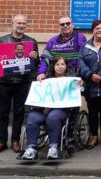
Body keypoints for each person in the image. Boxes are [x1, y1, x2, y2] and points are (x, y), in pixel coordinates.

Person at [20, 56, 82, 160]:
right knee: (32, 117)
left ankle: (53, 148)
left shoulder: (71, 79)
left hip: (61, 110)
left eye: (63, 64)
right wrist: (39, 79)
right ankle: (31, 149)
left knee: (52, 117)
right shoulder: (46, 78)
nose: (60, 67)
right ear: (53, 66)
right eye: (57, 64)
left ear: (66, 66)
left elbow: (80, 92)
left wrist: (81, 85)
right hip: (43, 109)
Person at [0, 14, 39, 153]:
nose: (21, 25)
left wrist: (35, 58)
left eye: (23, 23)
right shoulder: (2, 41)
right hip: (4, 83)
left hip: (22, 83)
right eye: (18, 23)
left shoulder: (31, 42)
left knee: (19, 113)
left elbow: (36, 64)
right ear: (13, 23)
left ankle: (15, 140)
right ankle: (2, 140)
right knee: (2, 113)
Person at [78, 20, 101, 150]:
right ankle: (94, 136)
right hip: (90, 85)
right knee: (93, 112)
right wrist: (90, 75)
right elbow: (81, 63)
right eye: (97, 28)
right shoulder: (84, 46)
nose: (100, 31)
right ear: (93, 30)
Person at [36, 16, 87, 81]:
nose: (65, 26)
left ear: (72, 25)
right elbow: (45, 59)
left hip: (75, 75)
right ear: (59, 27)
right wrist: (41, 72)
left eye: (67, 23)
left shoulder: (80, 38)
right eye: (62, 24)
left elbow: (84, 58)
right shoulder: (53, 41)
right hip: (56, 76)